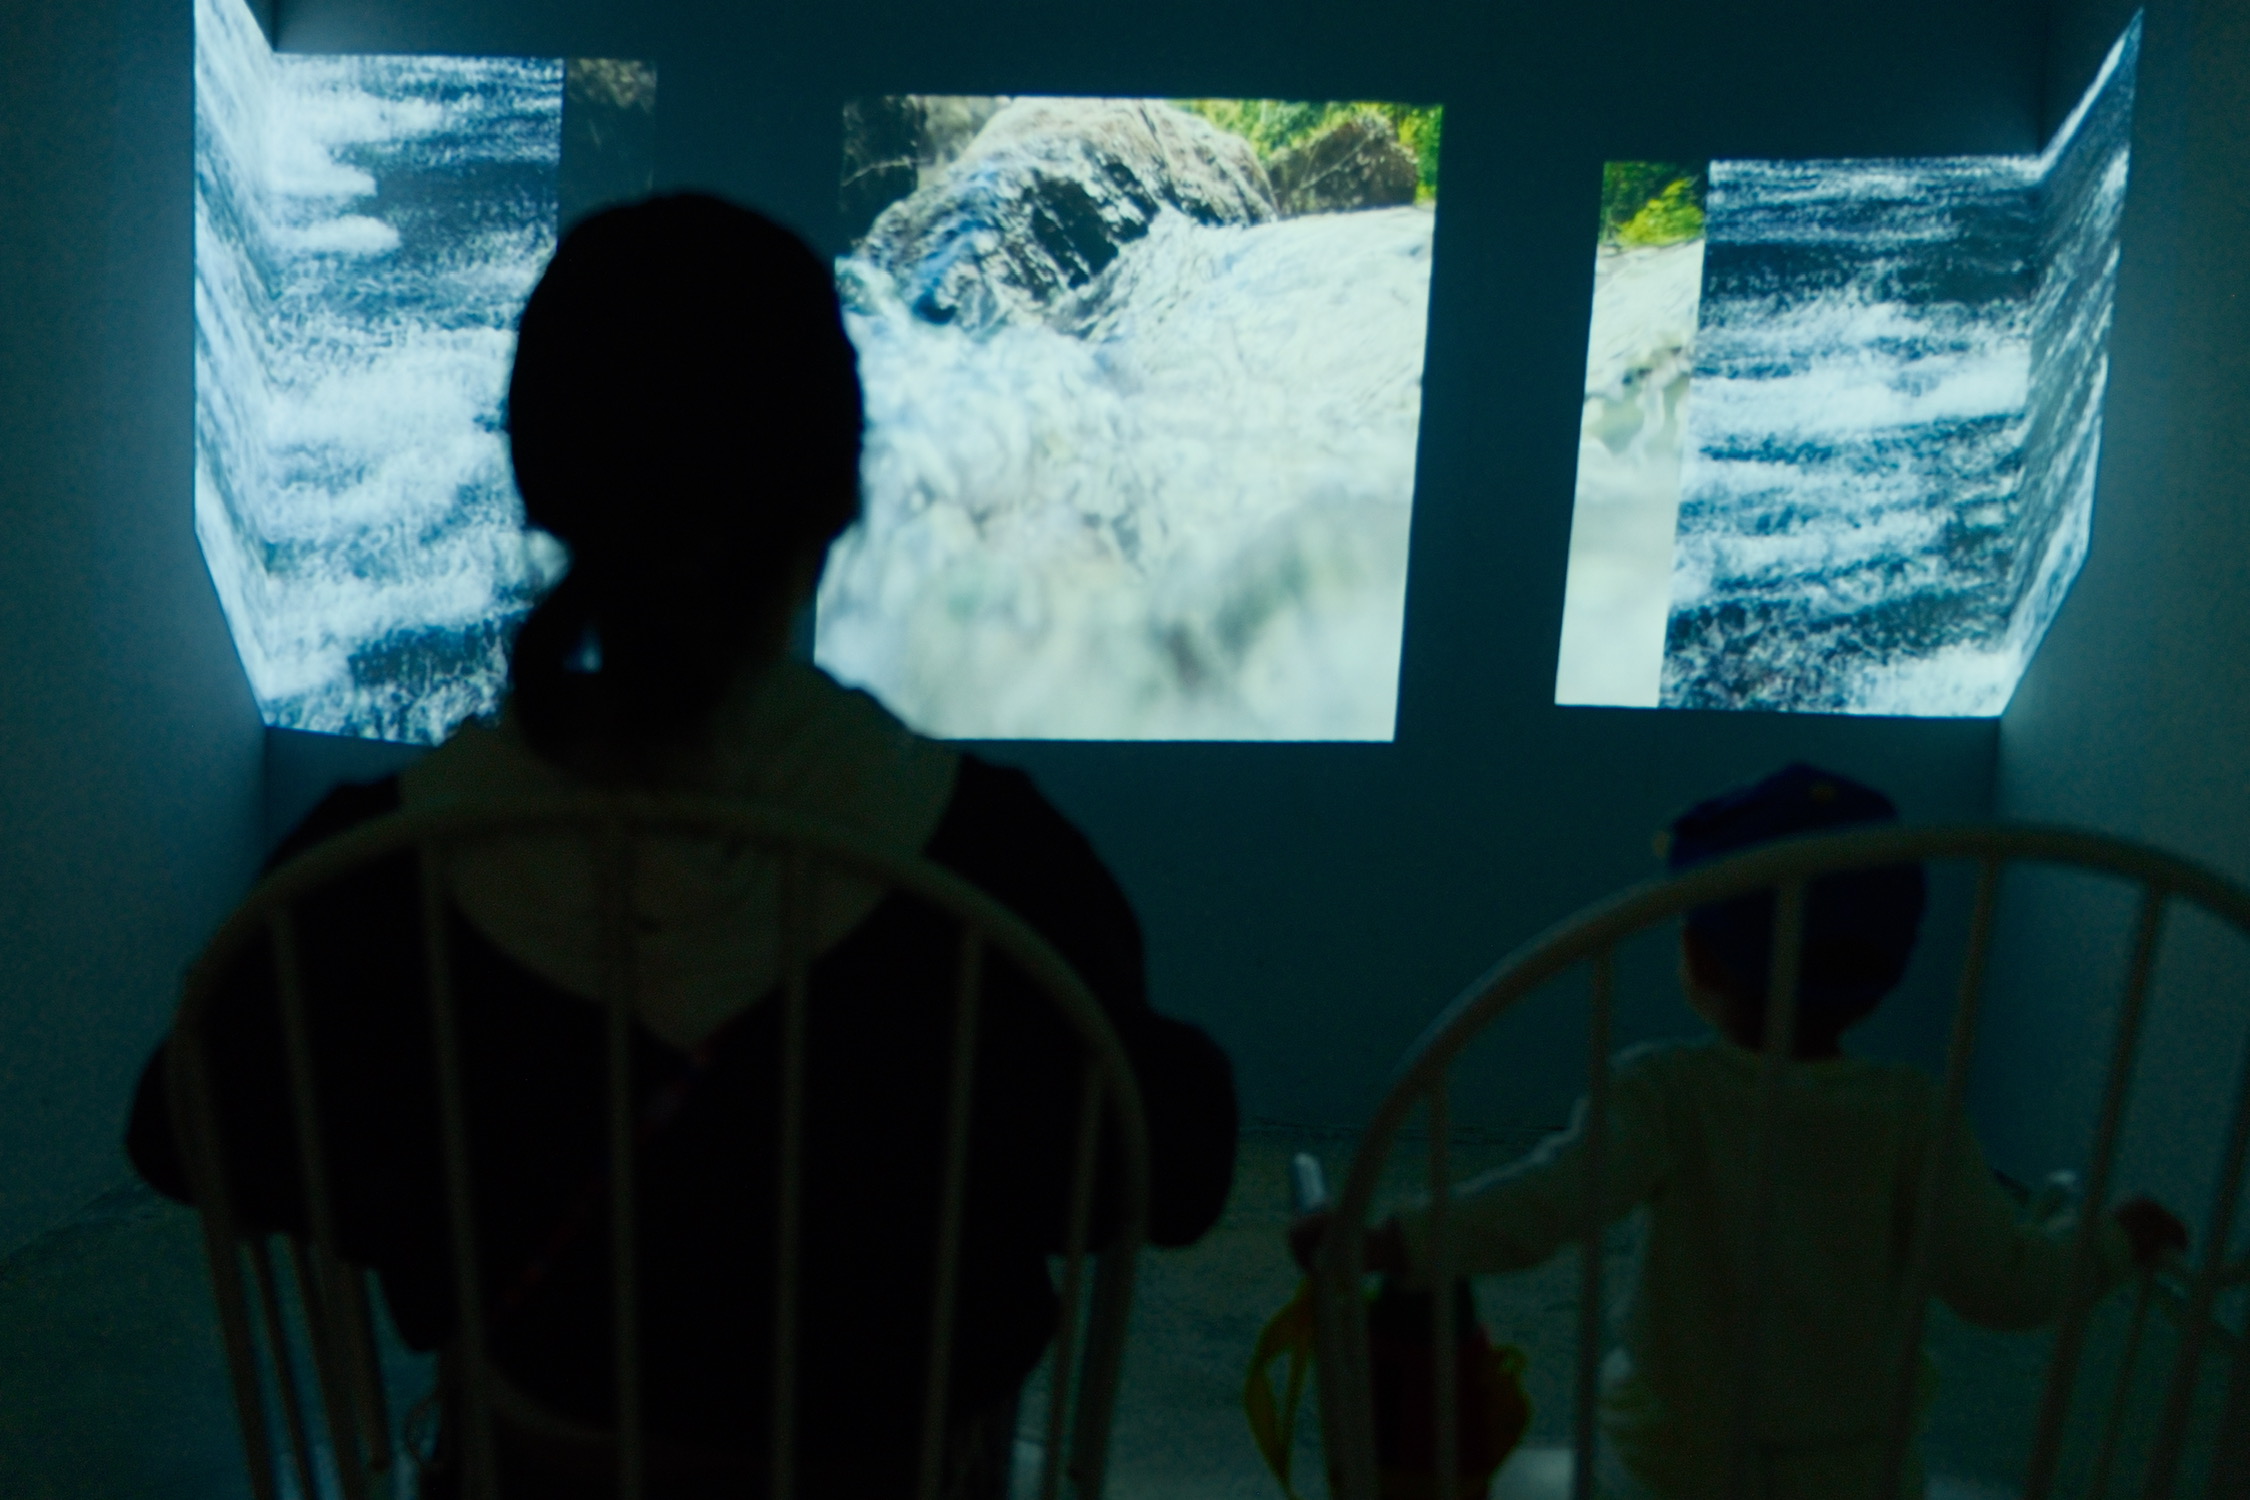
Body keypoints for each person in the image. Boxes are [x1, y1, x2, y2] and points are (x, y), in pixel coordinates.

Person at [127, 194, 1237, 1499]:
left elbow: (182, 1132)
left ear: (541, 481)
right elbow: (1173, 1172)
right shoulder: (996, 876)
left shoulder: (366, 883)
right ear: (838, 494)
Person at [1293, 763, 2185, 1500]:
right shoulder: (1915, 1113)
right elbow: (2009, 1287)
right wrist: (2112, 1240)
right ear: (1888, 972)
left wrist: (1391, 1240)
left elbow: (1543, 1204)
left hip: (1671, 1468)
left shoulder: (1666, 1091)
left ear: (1700, 958)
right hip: (1856, 1474)